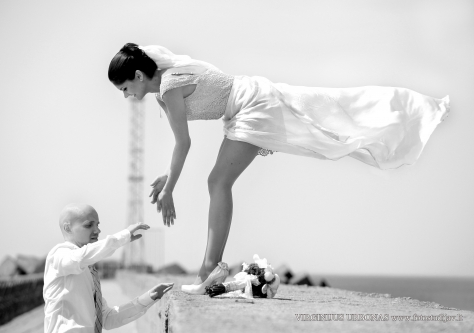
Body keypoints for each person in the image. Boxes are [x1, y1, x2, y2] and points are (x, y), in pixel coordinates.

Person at [108, 44, 450, 295]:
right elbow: (180, 141)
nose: (126, 96)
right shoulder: (163, 89)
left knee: (218, 181)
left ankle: (209, 269)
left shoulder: (168, 88)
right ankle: (209, 268)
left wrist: (170, 190)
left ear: (138, 76)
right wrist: (169, 177)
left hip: (252, 105)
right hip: (249, 103)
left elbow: (184, 145)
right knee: (219, 181)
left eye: (125, 89)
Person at [43, 203, 174, 332]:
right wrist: (123, 236)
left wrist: (147, 298)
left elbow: (106, 318)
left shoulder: (88, 269)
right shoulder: (58, 255)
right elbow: (81, 257)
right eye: (89, 225)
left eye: (97, 225)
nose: (97, 230)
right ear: (67, 228)